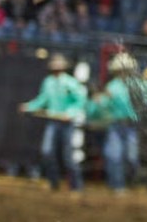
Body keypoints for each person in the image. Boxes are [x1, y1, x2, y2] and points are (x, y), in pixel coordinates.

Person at [19, 53, 87, 193]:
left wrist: (70, 113)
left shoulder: (70, 82)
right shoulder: (48, 82)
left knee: (68, 156)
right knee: (47, 152)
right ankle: (53, 182)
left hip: (66, 123)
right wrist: (29, 106)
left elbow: (80, 100)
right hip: (53, 122)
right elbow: (42, 100)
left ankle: (77, 186)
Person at [89, 52, 140, 193]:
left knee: (131, 158)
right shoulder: (112, 86)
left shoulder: (135, 85)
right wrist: (99, 101)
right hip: (117, 125)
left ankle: (125, 183)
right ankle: (118, 186)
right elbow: (105, 104)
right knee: (115, 156)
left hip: (130, 125)